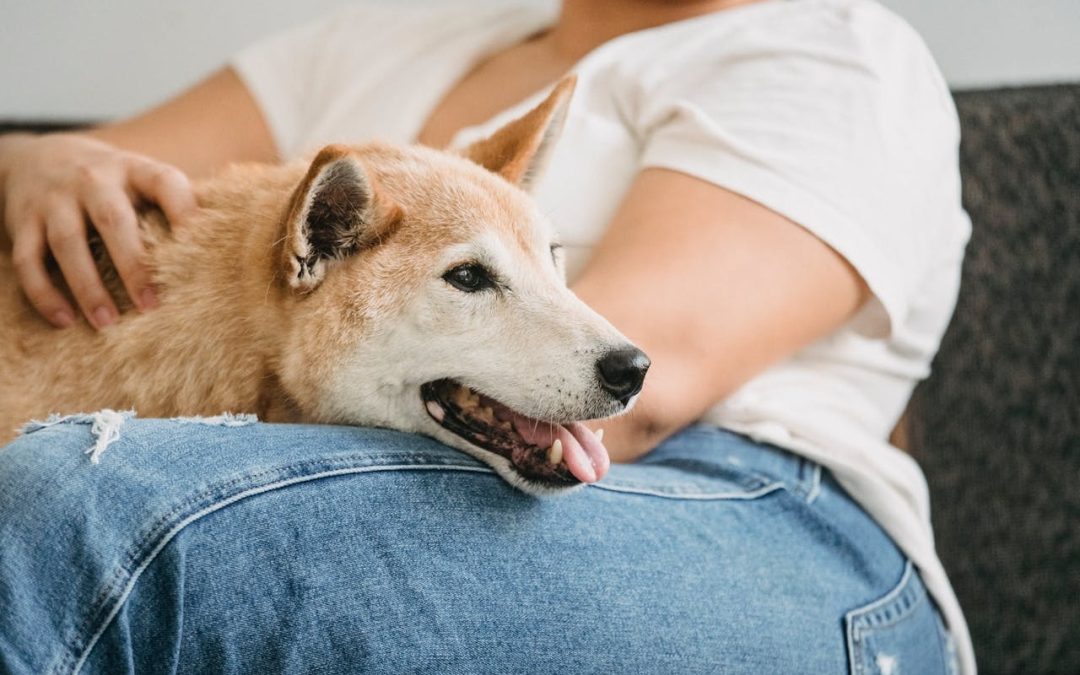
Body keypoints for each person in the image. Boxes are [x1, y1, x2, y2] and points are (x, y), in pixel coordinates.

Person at [0, 0, 974, 673]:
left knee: (79, 499)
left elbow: (633, 386)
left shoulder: (829, 53)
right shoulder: (388, 36)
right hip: (398, 459)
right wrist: (31, 161)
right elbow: (115, 195)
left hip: (752, 520)